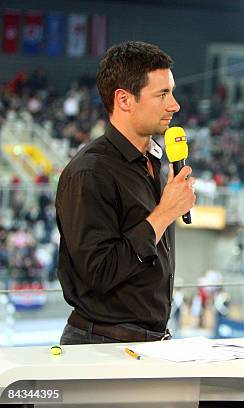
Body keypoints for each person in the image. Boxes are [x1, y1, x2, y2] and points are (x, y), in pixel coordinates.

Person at [56, 41, 196, 344]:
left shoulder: (153, 161)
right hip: (102, 346)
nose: (175, 105)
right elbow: (99, 272)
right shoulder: (90, 172)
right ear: (124, 100)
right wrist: (164, 213)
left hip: (146, 343)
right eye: (162, 94)